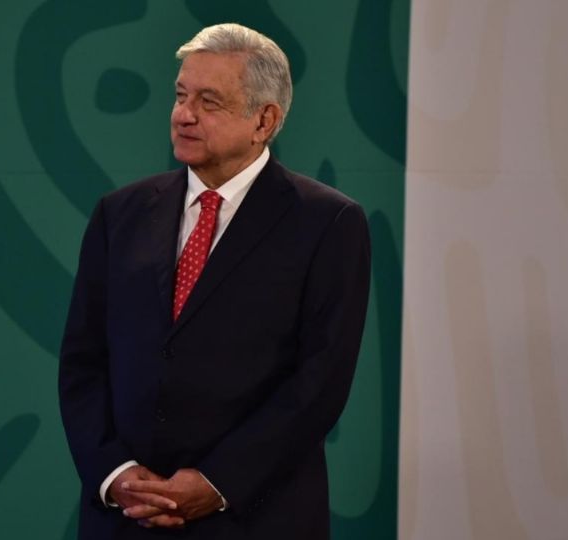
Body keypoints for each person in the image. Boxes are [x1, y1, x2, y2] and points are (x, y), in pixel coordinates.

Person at [59, 23, 371, 539]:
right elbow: (82, 361)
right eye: (181, 96)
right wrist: (115, 476)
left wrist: (217, 481)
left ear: (264, 120)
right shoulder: (121, 214)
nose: (184, 114)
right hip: (126, 519)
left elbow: (319, 383)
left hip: (253, 518)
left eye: (209, 101)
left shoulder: (327, 223)